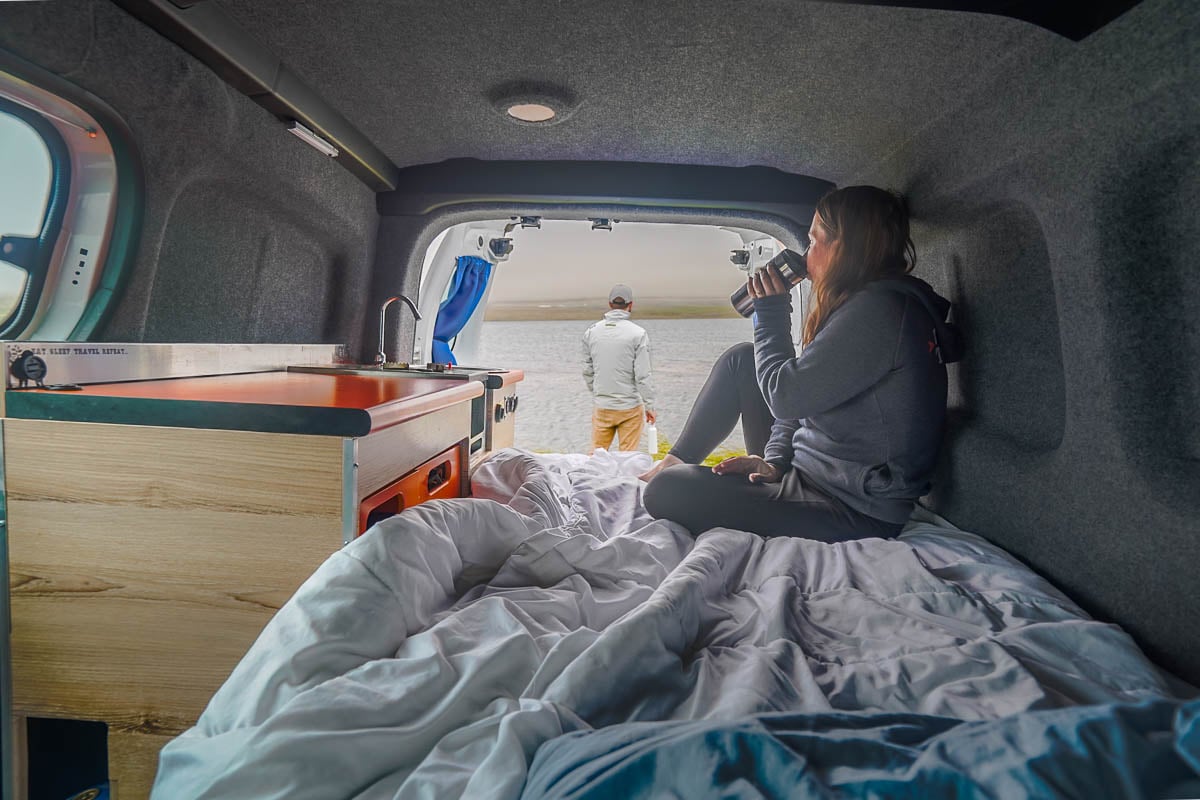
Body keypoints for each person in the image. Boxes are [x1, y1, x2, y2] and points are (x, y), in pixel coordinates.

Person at [640, 186, 961, 543]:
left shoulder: (880, 313)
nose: (807, 253)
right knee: (743, 362)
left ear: (845, 247)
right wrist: (774, 462)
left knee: (666, 491)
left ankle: (673, 471)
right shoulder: (863, 305)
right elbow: (803, 399)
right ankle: (677, 457)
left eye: (814, 240)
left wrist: (772, 312)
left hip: (852, 506)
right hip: (813, 472)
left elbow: (786, 398)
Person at [582, 283, 657, 452]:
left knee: (596, 457)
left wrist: (597, 393)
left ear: (610, 304)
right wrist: (650, 406)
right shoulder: (638, 333)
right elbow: (643, 375)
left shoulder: (591, 332)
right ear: (630, 305)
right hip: (630, 407)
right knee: (627, 458)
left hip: (602, 406)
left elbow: (587, 370)